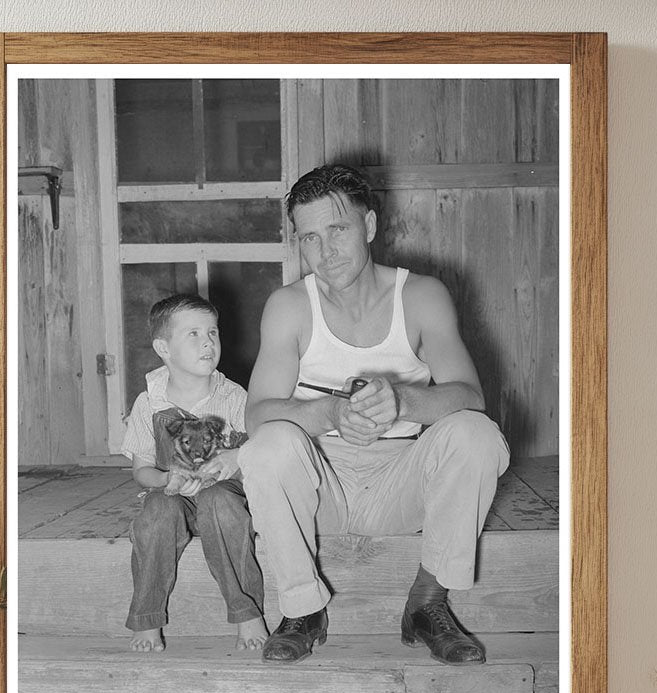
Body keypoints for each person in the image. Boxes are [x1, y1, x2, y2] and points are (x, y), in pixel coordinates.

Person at [238, 165, 510, 665]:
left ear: (368, 226)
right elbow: (257, 416)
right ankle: (302, 609)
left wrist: (405, 402)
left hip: (400, 485)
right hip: (321, 488)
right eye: (310, 238)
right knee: (266, 447)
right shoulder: (289, 306)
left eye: (338, 230)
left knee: (477, 435)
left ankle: (429, 601)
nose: (326, 250)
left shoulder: (421, 295)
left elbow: (471, 395)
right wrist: (328, 412)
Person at [122, 294, 268, 653]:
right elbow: (141, 469)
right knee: (156, 512)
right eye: (193, 334)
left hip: (225, 496)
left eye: (213, 332)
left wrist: (234, 457)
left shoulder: (233, 396)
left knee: (220, 501)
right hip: (176, 498)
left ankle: (245, 610)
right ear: (163, 347)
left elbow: (258, 450)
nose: (208, 342)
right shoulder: (149, 402)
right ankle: (147, 617)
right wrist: (163, 480)